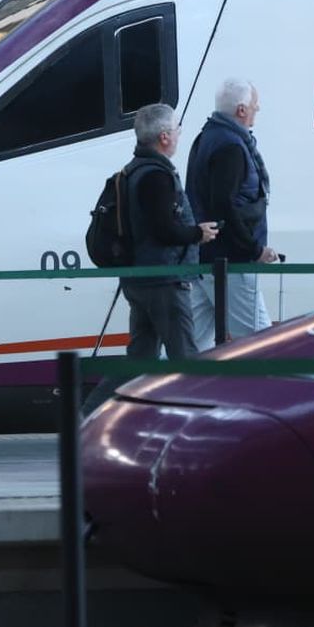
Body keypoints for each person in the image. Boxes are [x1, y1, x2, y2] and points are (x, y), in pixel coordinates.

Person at [82, 103, 218, 415]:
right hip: (163, 280)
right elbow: (164, 230)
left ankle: (92, 411)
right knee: (185, 356)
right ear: (165, 137)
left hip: (138, 278)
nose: (181, 133)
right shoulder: (157, 176)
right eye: (177, 129)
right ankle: (195, 420)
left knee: (140, 357)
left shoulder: (133, 170)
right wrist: (198, 233)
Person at [184, 78, 277, 350]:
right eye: (255, 107)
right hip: (230, 263)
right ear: (241, 110)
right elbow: (224, 205)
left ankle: (159, 388)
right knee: (260, 344)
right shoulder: (232, 147)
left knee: (189, 345)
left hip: (204, 259)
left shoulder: (205, 138)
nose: (256, 113)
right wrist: (254, 249)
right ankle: (264, 393)